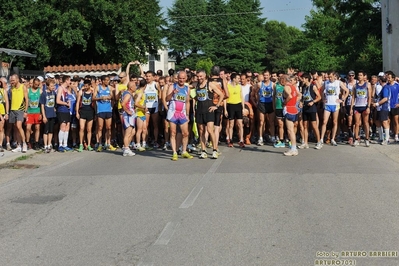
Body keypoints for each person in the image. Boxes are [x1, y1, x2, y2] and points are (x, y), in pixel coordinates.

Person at [195, 69, 224, 159]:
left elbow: (221, 95)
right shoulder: (196, 85)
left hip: (209, 110)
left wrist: (216, 106)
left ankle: (215, 150)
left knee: (210, 130)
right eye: (198, 76)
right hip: (200, 110)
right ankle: (203, 151)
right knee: (201, 131)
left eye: (201, 76)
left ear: (205, 76)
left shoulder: (210, 84)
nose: (199, 78)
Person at [165, 71, 193, 160]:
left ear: (186, 78)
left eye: (183, 78)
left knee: (185, 133)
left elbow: (187, 102)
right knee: (173, 133)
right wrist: (172, 93)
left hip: (182, 113)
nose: (181, 80)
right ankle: (174, 152)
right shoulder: (172, 86)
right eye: (180, 78)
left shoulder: (187, 88)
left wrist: (188, 114)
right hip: (173, 113)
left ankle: (184, 151)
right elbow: (167, 99)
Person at [320, 71, 349, 146]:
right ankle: (321, 139)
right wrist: (323, 99)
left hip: (335, 104)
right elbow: (321, 90)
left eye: (330, 76)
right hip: (328, 104)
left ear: (334, 76)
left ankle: (333, 138)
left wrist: (342, 100)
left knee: (335, 122)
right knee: (324, 121)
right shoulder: (326, 83)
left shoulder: (338, 82)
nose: (329, 78)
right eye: (328, 77)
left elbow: (347, 91)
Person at [93, 75, 116, 151]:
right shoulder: (98, 88)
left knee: (108, 127)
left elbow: (113, 97)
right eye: (106, 80)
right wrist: (100, 98)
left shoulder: (109, 88)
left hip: (108, 109)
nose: (107, 82)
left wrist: (111, 97)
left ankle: (108, 143)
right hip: (100, 109)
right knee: (100, 127)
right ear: (102, 81)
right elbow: (93, 98)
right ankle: (99, 144)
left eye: (108, 80)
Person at [299, 73, 322, 149]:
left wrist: (313, 102)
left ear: (306, 79)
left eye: (303, 78)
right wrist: (301, 103)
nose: (302, 80)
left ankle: (319, 142)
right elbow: (303, 97)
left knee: (314, 126)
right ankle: (305, 142)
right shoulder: (303, 87)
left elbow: (319, 97)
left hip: (312, 108)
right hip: (305, 108)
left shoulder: (313, 87)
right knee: (305, 125)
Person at [350, 71, 372, 147]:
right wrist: (351, 107)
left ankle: (367, 138)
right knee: (357, 123)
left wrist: (368, 107)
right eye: (358, 75)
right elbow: (353, 97)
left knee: (366, 123)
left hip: (364, 106)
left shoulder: (367, 85)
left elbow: (369, 97)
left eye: (361, 75)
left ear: (364, 76)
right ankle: (356, 139)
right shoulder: (355, 86)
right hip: (357, 106)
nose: (359, 76)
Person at [255, 70, 276, 145]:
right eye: (264, 75)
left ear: (269, 76)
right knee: (261, 122)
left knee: (271, 122)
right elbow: (255, 92)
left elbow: (275, 95)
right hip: (262, 104)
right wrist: (257, 101)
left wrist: (274, 104)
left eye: (267, 75)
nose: (265, 77)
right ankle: (260, 138)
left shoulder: (273, 85)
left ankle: (273, 137)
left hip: (270, 103)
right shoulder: (259, 84)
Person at [9, 74, 29, 153]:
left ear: (17, 79)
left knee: (19, 126)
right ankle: (18, 145)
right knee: (15, 128)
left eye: (13, 80)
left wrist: (25, 111)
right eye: (11, 80)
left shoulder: (23, 87)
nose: (12, 82)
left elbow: (26, 99)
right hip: (13, 109)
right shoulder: (12, 88)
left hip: (20, 109)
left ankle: (24, 144)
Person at [225, 72, 245, 148]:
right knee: (231, 124)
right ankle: (231, 140)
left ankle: (241, 140)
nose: (239, 80)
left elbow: (241, 97)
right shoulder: (228, 86)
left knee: (240, 123)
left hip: (238, 105)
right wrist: (225, 109)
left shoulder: (239, 86)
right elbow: (225, 98)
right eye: (238, 78)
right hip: (230, 105)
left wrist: (243, 108)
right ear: (234, 79)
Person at [283, 75, 300, 156]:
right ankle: (293, 148)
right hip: (294, 108)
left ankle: (293, 149)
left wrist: (285, 102)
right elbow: (299, 95)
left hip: (289, 108)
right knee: (292, 130)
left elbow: (289, 96)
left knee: (290, 130)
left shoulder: (286, 87)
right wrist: (295, 102)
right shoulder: (293, 87)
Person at [75, 79, 95, 152]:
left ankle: (89, 144)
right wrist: (77, 112)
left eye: (87, 86)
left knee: (89, 129)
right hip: (83, 111)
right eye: (84, 86)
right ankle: (81, 144)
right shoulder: (81, 92)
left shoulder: (92, 92)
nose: (85, 87)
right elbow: (77, 103)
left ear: (90, 85)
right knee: (81, 128)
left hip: (90, 111)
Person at [56, 75, 73, 152]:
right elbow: (58, 101)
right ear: (66, 80)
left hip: (66, 110)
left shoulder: (66, 89)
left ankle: (65, 144)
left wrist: (68, 102)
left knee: (67, 126)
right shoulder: (60, 88)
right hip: (61, 110)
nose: (70, 82)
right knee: (62, 126)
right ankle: (60, 145)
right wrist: (66, 103)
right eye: (69, 80)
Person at [144, 71, 161, 148]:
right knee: (146, 125)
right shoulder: (144, 85)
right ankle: (145, 141)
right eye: (147, 76)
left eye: (149, 76)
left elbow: (160, 92)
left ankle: (156, 141)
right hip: (147, 107)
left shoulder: (156, 84)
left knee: (155, 125)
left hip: (155, 107)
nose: (148, 77)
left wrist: (159, 102)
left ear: (153, 77)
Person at [372, 75, 390, 145]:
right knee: (378, 122)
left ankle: (387, 139)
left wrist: (377, 104)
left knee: (384, 122)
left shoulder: (385, 88)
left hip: (383, 107)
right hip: (380, 108)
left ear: (380, 81)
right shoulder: (384, 87)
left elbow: (385, 98)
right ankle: (381, 138)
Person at [40, 79, 57, 153]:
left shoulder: (54, 93)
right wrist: (44, 116)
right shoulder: (44, 94)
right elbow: (42, 106)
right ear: (47, 86)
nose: (53, 87)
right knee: (45, 131)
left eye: (54, 85)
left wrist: (54, 108)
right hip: (46, 114)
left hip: (52, 114)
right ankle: (45, 145)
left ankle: (49, 143)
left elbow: (55, 103)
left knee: (51, 130)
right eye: (51, 86)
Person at [121, 81, 137, 156]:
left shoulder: (128, 93)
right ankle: (126, 148)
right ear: (131, 87)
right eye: (135, 86)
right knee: (128, 133)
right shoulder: (127, 94)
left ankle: (126, 147)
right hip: (128, 116)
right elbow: (123, 103)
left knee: (133, 132)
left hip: (131, 115)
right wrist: (127, 111)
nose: (136, 87)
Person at [25, 77, 42, 150]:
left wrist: (41, 113)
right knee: (28, 128)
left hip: (37, 112)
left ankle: (36, 142)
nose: (36, 86)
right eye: (35, 84)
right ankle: (27, 142)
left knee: (37, 127)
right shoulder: (28, 91)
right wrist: (25, 111)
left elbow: (42, 104)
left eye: (38, 85)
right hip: (29, 112)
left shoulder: (40, 91)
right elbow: (25, 101)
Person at [0, 79, 9, 152]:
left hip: (2, 112)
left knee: (1, 128)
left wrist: (6, 113)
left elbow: (6, 102)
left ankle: (0, 144)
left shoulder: (3, 91)